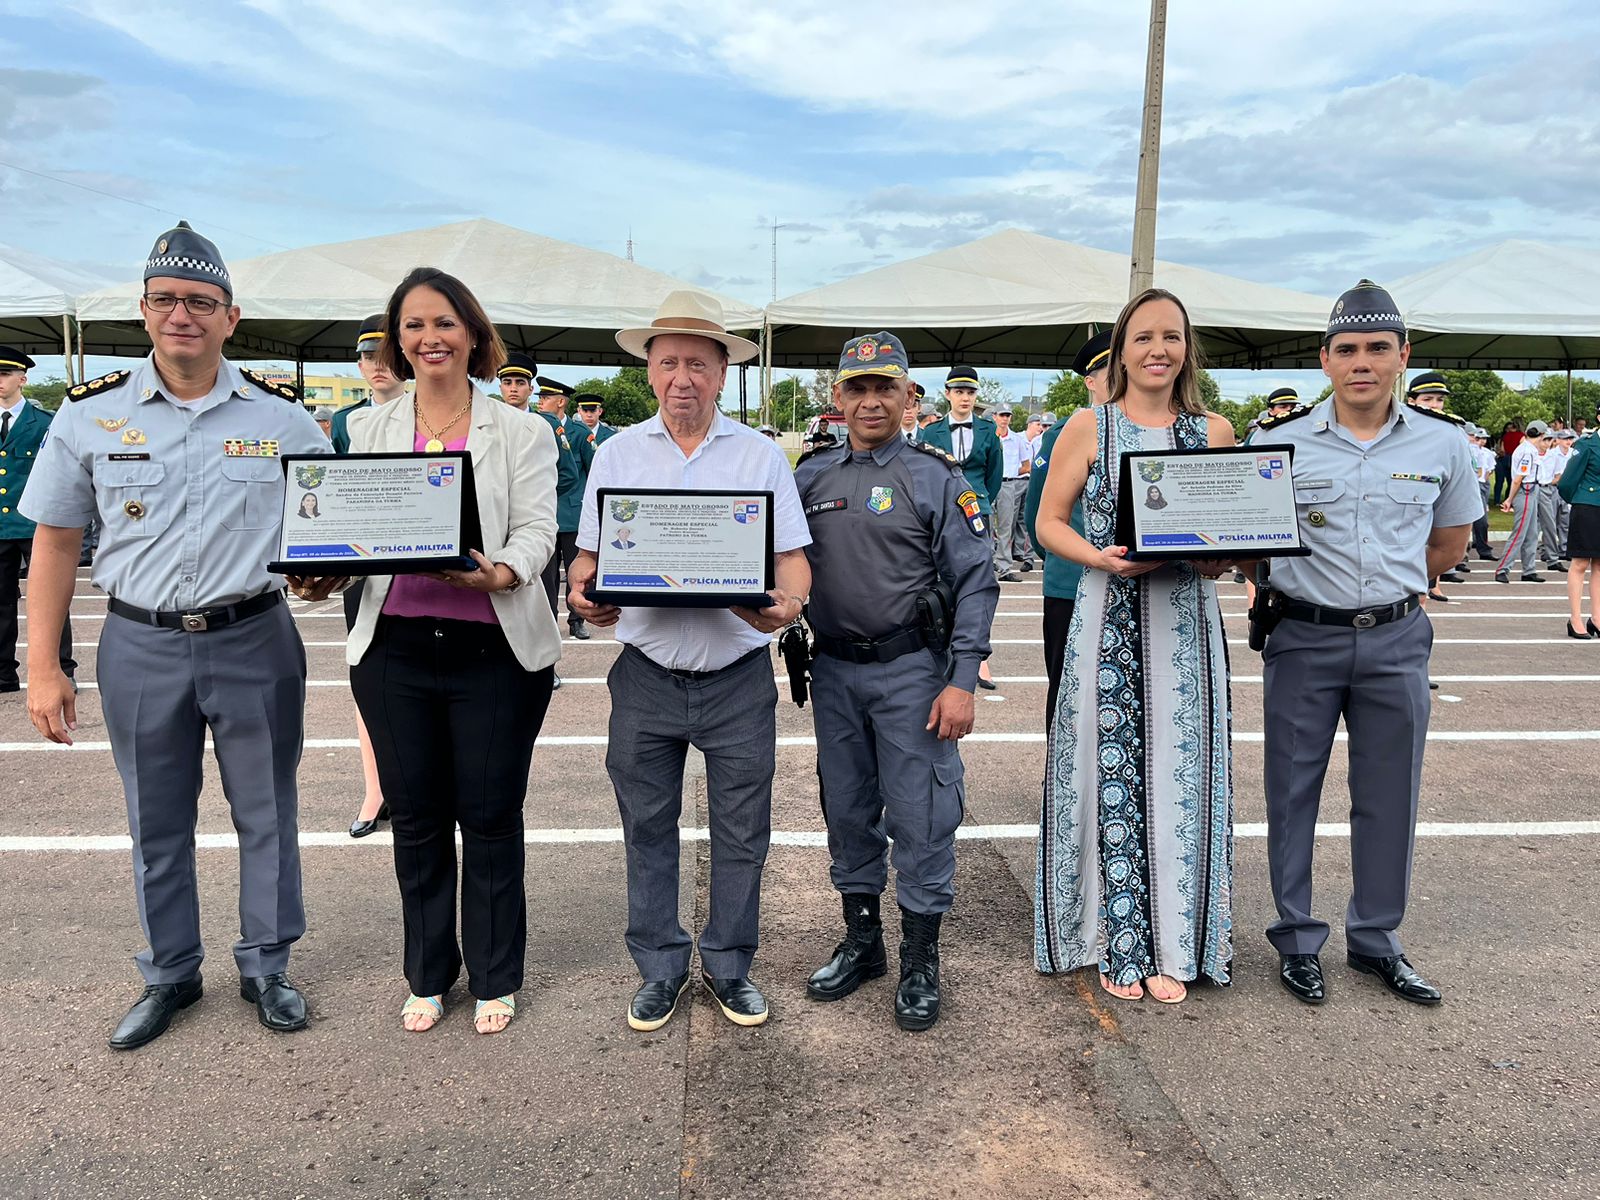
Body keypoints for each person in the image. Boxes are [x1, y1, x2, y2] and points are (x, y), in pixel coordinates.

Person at [21, 221, 331, 1049]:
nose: (182, 314)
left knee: (266, 812)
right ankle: (170, 973)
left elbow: (329, 533)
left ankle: (267, 964)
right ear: (144, 312)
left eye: (201, 301)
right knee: (155, 819)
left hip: (253, 635)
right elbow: (53, 542)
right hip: (139, 642)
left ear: (232, 317)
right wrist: (43, 664)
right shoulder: (88, 418)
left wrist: (327, 568)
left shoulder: (287, 419)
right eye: (166, 300)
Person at [567, 290, 811, 1032]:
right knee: (647, 826)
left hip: (738, 676)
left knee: (743, 832)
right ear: (649, 369)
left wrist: (786, 609)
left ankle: (731, 967)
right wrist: (584, 597)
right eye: (669, 362)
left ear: (721, 373)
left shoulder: (759, 454)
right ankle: (661, 966)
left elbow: (793, 564)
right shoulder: (616, 453)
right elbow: (587, 560)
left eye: (699, 364)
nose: (683, 377)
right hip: (645, 674)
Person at [346, 267, 562, 1036]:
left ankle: (497, 973)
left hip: (493, 647)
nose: (428, 338)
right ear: (397, 340)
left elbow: (539, 528)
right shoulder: (365, 426)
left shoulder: (523, 430)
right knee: (418, 819)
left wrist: (498, 574)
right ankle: (430, 973)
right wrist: (317, 571)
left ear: (472, 332)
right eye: (413, 326)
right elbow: (353, 529)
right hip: (394, 647)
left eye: (443, 323)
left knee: (492, 815)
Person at [1252, 280, 1481, 1008]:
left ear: (1402, 356)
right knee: (1292, 793)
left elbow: (1448, 543)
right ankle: (1297, 938)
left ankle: (1376, 941)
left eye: (1378, 348)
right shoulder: (1276, 444)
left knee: (1389, 796)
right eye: (1347, 349)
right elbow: (1247, 544)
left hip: (1395, 637)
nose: (1363, 363)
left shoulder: (1442, 443)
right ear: (1325, 360)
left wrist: (1389, 587)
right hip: (1303, 635)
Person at [1033, 289, 1237, 1005]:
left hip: (1185, 622)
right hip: (1107, 615)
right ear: (1122, 349)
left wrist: (1221, 558)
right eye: (1144, 336)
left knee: (1182, 776)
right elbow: (1048, 523)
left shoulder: (1214, 431)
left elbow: (1230, 531)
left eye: (1172, 337)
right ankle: (1116, 942)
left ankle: (1178, 944)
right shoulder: (1090, 425)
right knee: (1107, 776)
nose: (1158, 349)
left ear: (1188, 349)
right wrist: (1102, 558)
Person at [793, 332, 998, 1032]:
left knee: (920, 814)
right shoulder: (809, 478)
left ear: (911, 397)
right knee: (846, 810)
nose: (872, 400)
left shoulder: (935, 476)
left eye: (887, 387)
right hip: (835, 672)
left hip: (914, 673)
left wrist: (963, 679)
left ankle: (919, 956)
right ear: (837, 398)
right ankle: (864, 942)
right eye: (858, 387)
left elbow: (977, 581)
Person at [336, 315, 405, 839]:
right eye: (366, 357)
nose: (374, 367)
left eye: (383, 356)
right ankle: (373, 787)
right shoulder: (346, 421)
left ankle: (405, 784)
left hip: (425, 561)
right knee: (369, 676)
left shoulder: (435, 416)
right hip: (365, 564)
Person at [1024, 329, 1108, 732]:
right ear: (1090, 381)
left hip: (1137, 582)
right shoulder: (1059, 438)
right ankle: (1058, 785)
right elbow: (1036, 516)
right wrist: (1063, 555)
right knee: (1066, 690)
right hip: (1070, 583)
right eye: (1111, 371)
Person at [920, 366, 1005, 684]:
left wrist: (979, 503)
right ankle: (941, 650)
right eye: (959, 392)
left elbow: (994, 476)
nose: (965, 398)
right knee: (939, 582)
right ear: (947, 394)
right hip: (940, 513)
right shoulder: (931, 432)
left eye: (970, 392)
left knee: (979, 583)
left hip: (976, 512)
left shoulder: (988, 430)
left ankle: (978, 657)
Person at [0, 345, 75, 692]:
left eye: (4, 375)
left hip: (35, 523)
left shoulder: (44, 422)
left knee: (51, 598)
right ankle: (3, 673)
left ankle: (62, 668)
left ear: (22, 379)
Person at [538, 375, 593, 641]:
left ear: (560, 402)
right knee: (547, 576)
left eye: (545, 397)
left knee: (575, 570)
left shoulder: (580, 433)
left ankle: (576, 619)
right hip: (546, 514)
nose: (540, 402)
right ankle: (549, 621)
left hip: (572, 513)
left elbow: (592, 473)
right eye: (539, 397)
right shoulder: (537, 427)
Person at [1559, 412, 1600, 638]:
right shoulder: (1586, 444)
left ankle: (1597, 618)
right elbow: (1567, 482)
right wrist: (1580, 500)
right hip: (1587, 507)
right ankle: (1575, 620)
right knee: (1580, 563)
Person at [1497, 421, 1551, 583]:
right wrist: (1510, 499)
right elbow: (1518, 478)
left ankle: (1529, 569)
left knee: (1532, 533)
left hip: (1531, 489)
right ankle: (1503, 568)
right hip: (1526, 490)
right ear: (1540, 435)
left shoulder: (1528, 449)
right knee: (1520, 532)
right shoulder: (1528, 451)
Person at [991, 406, 1032, 578]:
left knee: (1006, 527)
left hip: (1008, 483)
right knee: (984, 525)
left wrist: (1011, 472)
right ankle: (986, 563)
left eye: (1007, 415)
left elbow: (1026, 465)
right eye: (1002, 415)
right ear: (994, 417)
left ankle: (1004, 567)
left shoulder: (1017, 439)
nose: (1005, 419)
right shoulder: (989, 436)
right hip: (990, 483)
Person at [1537, 429, 1573, 572]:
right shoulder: (1551, 454)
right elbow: (1553, 475)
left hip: (1566, 488)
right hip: (1552, 488)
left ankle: (1563, 549)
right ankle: (1546, 551)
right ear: (1557, 440)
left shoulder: (1572, 453)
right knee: (1549, 521)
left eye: (1570, 438)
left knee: (1565, 521)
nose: (1568, 441)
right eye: (1565, 439)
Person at [1467, 425, 1498, 562]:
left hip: (1482, 484)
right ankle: (1469, 551)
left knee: (1482, 520)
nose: (1480, 441)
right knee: (1475, 520)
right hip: (1471, 484)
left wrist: (1485, 478)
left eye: (1482, 438)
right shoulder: (1468, 449)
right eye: (1477, 437)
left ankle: (1482, 546)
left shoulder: (1486, 452)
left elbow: (1488, 469)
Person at [1493, 420, 1523, 505]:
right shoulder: (1521, 436)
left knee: (1499, 481)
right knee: (1512, 481)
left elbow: (1502, 449)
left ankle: (1497, 500)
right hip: (1514, 459)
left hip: (1504, 458)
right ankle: (1509, 499)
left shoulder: (1506, 435)